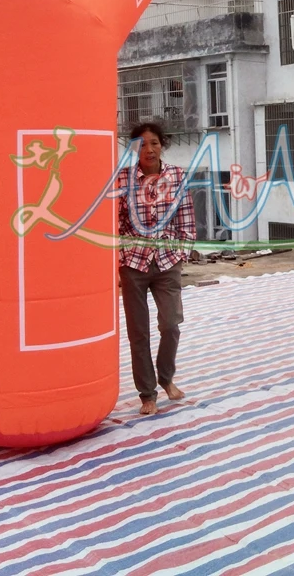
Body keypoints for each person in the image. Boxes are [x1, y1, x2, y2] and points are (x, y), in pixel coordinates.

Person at [117, 121, 196, 416]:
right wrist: (119, 257)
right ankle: (147, 394)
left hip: (167, 261)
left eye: (154, 143)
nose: (149, 149)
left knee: (171, 324)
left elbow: (186, 216)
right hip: (133, 264)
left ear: (162, 146)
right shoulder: (122, 179)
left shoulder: (176, 175)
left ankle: (166, 378)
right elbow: (115, 221)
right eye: (142, 144)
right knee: (138, 333)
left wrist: (181, 253)